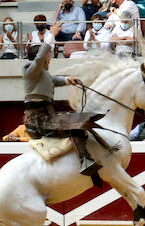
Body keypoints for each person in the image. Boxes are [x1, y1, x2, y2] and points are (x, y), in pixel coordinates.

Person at [21, 42, 94, 175]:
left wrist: (67, 80)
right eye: (49, 55)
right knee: (77, 125)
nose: (50, 58)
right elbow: (40, 58)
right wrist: (50, 38)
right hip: (38, 120)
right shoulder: (31, 70)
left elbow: (54, 80)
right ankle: (86, 161)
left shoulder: (41, 74)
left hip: (45, 117)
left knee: (81, 119)